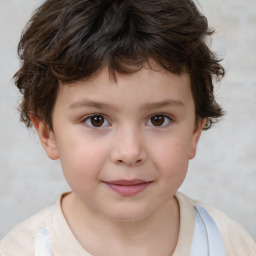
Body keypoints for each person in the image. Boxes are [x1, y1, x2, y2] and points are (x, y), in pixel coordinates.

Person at [1, 0, 255, 255]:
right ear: (47, 133)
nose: (130, 152)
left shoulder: (230, 244)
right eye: (96, 120)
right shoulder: (21, 250)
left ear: (194, 133)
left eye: (158, 119)